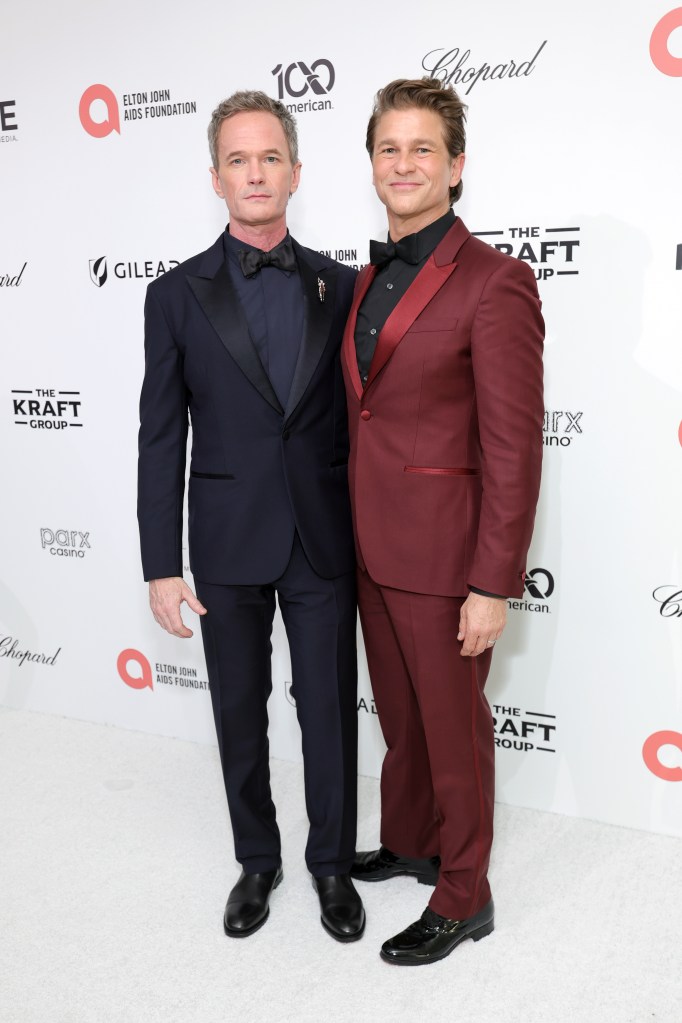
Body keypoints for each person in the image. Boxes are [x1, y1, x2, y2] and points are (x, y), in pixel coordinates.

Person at [137, 90, 364, 943]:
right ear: (216, 176)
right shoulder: (173, 296)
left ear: (296, 172)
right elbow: (160, 435)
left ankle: (332, 863)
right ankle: (257, 858)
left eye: (271, 156)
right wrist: (162, 562)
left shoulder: (343, 287)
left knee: (329, 706)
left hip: (321, 536)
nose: (256, 172)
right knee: (238, 705)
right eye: (239, 158)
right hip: (226, 541)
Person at [342, 77, 544, 965]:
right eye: (390, 148)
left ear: (456, 166)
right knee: (402, 717)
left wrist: (492, 582)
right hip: (370, 547)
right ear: (372, 165)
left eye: (424, 148)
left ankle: (465, 892)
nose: (405, 163)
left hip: (446, 557)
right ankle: (413, 839)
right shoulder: (361, 280)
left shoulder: (497, 283)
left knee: (455, 731)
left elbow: (514, 446)